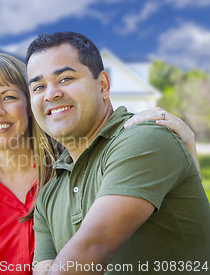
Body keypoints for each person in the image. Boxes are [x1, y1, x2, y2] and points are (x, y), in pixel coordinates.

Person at [0, 53, 199, 275]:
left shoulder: (70, 167)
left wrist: (186, 145)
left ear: (30, 105)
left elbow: (173, 220)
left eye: (9, 97)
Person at [26, 32, 210, 274]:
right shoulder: (48, 195)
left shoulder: (144, 137)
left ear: (103, 85)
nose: (51, 94)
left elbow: (93, 247)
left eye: (65, 78)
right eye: (38, 87)